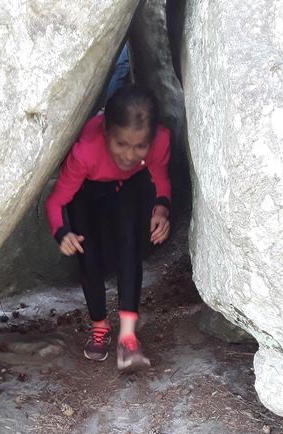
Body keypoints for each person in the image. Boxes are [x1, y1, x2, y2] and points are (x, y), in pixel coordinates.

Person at [44, 84, 171, 371]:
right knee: (88, 255)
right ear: (106, 133)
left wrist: (162, 210)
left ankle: (128, 337)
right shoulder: (86, 151)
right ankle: (99, 324)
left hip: (126, 185)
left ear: (151, 139)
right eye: (121, 144)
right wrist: (62, 232)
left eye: (140, 146)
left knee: (129, 245)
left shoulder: (160, 140)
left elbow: (160, 179)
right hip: (85, 188)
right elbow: (56, 201)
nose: (129, 154)